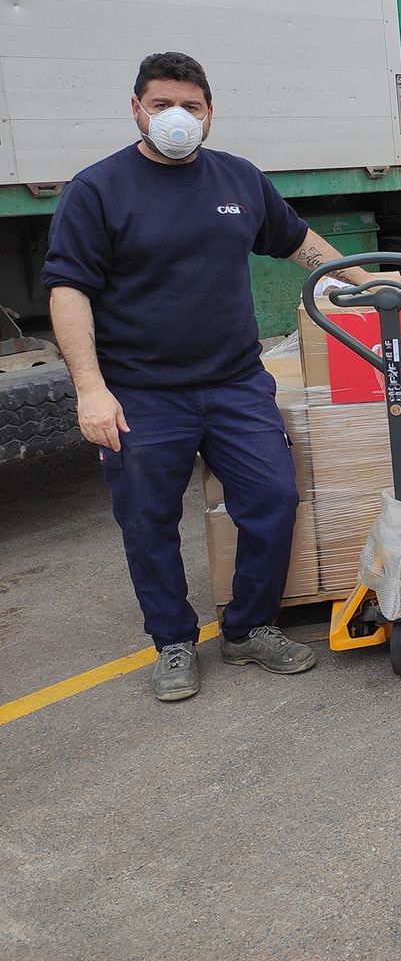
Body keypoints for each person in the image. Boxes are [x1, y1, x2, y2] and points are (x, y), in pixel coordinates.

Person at [43, 51, 369, 701]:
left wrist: (372, 284)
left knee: (273, 501)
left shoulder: (238, 180)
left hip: (234, 385)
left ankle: (249, 628)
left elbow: (299, 242)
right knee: (148, 521)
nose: (177, 117)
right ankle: (172, 642)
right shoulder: (98, 189)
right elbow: (68, 291)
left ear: (211, 115)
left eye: (191, 107)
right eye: (162, 104)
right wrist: (90, 389)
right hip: (140, 394)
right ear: (135, 109)